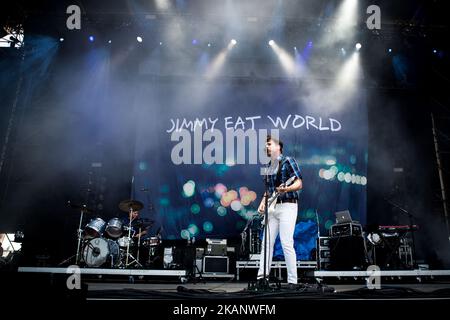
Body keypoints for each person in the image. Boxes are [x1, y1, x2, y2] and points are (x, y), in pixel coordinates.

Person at [257, 135, 303, 288]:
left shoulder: (288, 161)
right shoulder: (267, 167)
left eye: (269, 144)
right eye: (266, 145)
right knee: (266, 243)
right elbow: (268, 191)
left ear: (278, 146)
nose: (267, 147)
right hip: (273, 208)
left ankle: (292, 281)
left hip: (288, 206)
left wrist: (287, 188)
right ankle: (262, 278)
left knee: (286, 242)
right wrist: (262, 203)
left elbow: (299, 182)